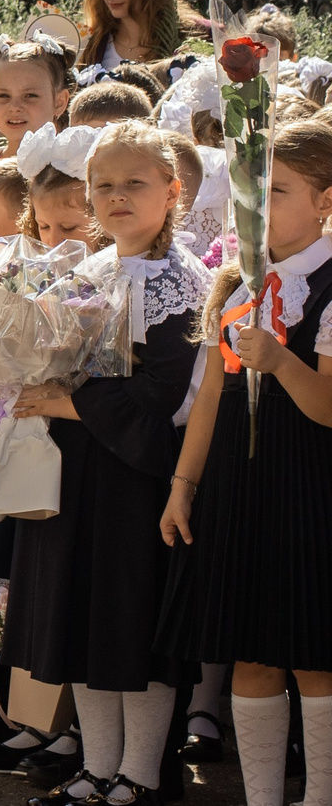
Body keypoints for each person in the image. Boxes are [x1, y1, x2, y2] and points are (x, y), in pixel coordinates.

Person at [5, 122, 203, 806]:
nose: (116, 196)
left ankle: (142, 774)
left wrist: (64, 401)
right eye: (104, 184)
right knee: (84, 620)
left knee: (131, 624)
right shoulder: (87, 266)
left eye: (134, 183)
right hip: (80, 472)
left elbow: (161, 401)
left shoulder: (178, 280)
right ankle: (97, 766)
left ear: (173, 190)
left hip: (138, 480)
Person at [163, 117, 332, 806]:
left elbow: (326, 407)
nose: (255, 208)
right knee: (251, 653)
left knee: (315, 657)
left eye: (278, 190)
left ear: (326, 199)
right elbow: (210, 395)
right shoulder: (237, 286)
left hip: (310, 487)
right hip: (240, 487)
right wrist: (183, 485)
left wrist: (283, 359)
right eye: (248, 193)